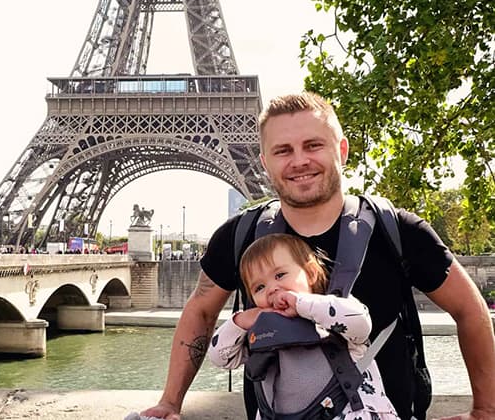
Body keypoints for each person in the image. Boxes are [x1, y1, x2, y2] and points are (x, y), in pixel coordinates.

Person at [141, 92, 495, 420]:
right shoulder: (237, 236)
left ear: (341, 150)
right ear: (265, 162)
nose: (299, 160)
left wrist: (487, 408)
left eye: (313, 145)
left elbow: (470, 308)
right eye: (283, 151)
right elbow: (202, 309)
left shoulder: (400, 230)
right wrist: (170, 402)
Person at [208, 233, 400, 419]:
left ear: (311, 273)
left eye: (280, 275)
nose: (272, 289)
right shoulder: (262, 331)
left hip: (351, 411)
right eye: (259, 287)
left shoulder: (330, 309)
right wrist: (243, 320)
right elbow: (220, 357)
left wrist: (301, 304)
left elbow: (361, 324)